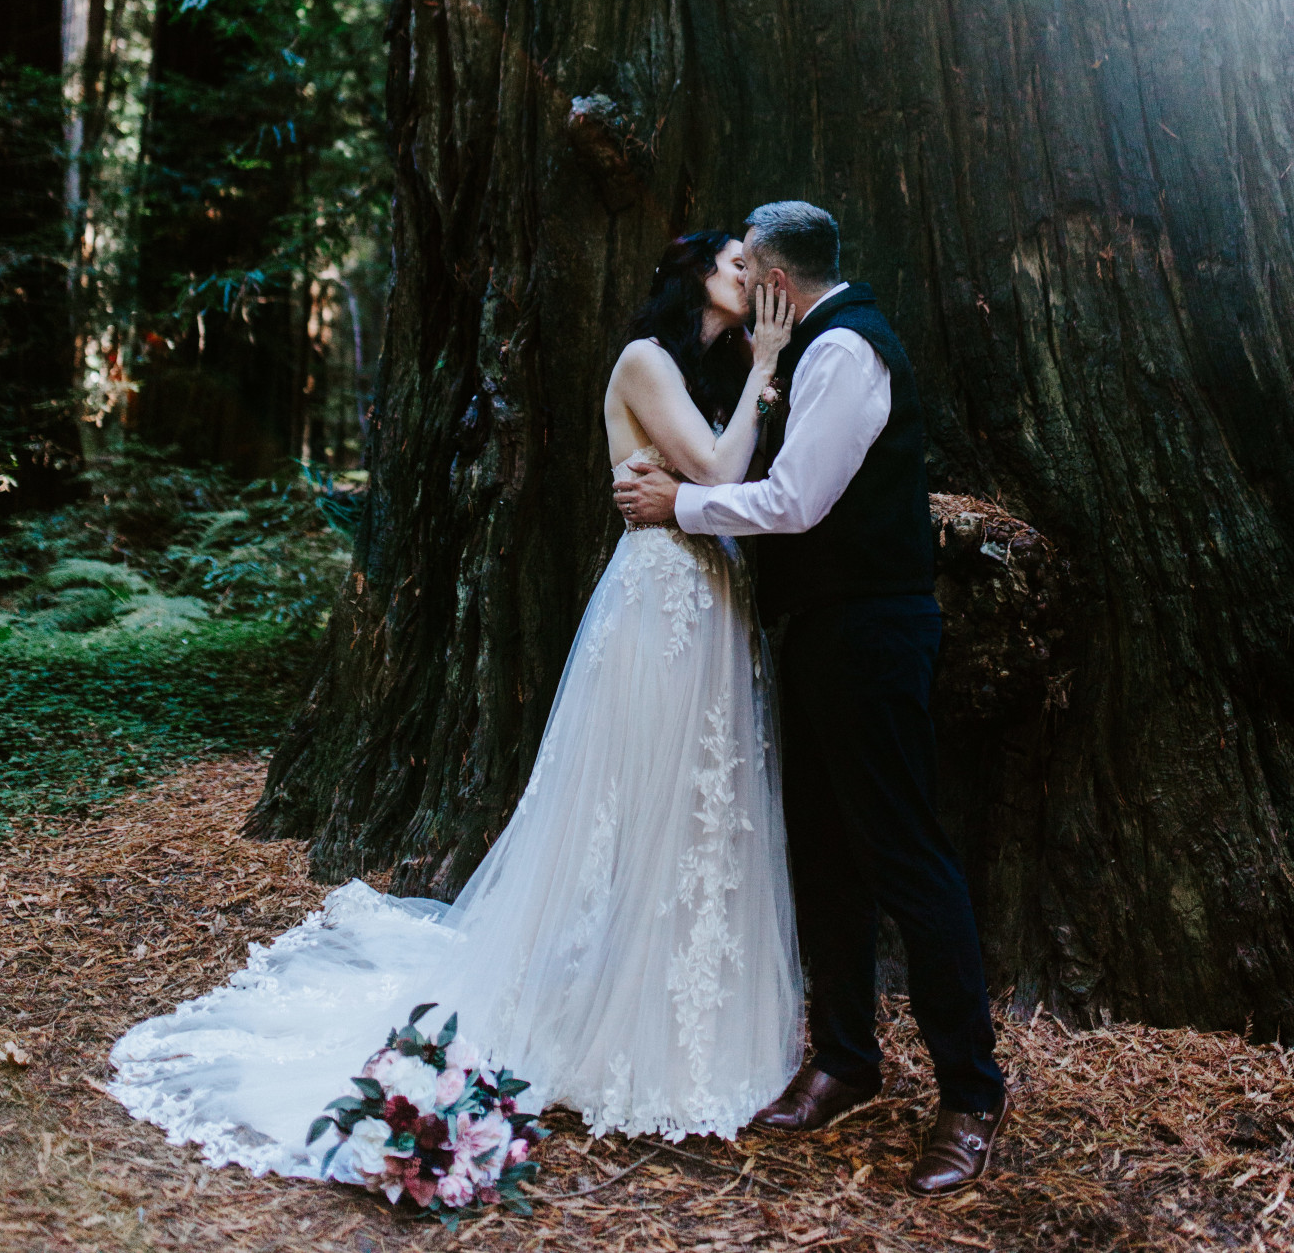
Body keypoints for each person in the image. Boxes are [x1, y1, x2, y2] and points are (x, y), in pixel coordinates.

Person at [108, 232, 804, 1173]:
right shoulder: (645, 360)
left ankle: (675, 1014)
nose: (743, 267)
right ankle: (592, 1015)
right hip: (656, 607)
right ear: (688, 278)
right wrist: (763, 365)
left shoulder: (698, 380)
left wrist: (747, 397)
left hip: (705, 601)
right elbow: (723, 477)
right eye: (727, 257)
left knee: (694, 810)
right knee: (628, 807)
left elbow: (724, 480)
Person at [614, 200, 1012, 1195]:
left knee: (906, 859)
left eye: (748, 267)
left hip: (873, 631)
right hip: (822, 632)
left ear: (775, 288)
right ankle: (843, 1060)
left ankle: (969, 1095)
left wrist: (683, 506)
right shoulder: (802, 344)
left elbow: (793, 502)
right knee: (825, 853)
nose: (738, 276)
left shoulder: (844, 354)